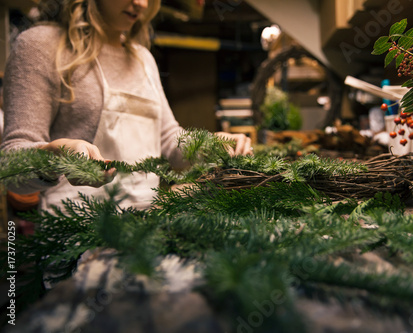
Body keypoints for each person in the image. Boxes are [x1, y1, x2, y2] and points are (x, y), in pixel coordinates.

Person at [0, 0, 253, 210]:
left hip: (146, 227)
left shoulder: (142, 57)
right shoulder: (41, 46)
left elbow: (167, 138)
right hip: (76, 238)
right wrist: (56, 156)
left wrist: (210, 144)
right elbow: (10, 167)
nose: (141, 3)